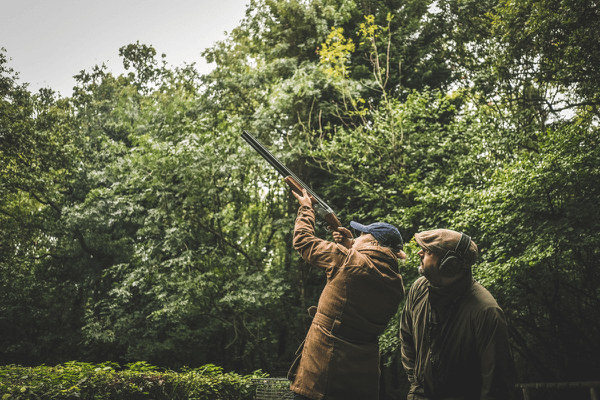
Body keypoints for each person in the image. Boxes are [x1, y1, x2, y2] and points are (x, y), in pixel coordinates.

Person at [288, 188, 405, 400]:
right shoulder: (397, 286)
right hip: (361, 379)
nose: (357, 238)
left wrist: (306, 209)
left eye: (361, 235)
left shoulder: (346, 260)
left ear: (373, 243)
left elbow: (303, 241)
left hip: (321, 374)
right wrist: (348, 246)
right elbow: (349, 285)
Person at [400, 229, 516, 400]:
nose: (420, 253)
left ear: (450, 265)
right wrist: (417, 387)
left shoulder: (486, 312)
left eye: (429, 251)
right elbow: (406, 338)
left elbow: (496, 386)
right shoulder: (419, 288)